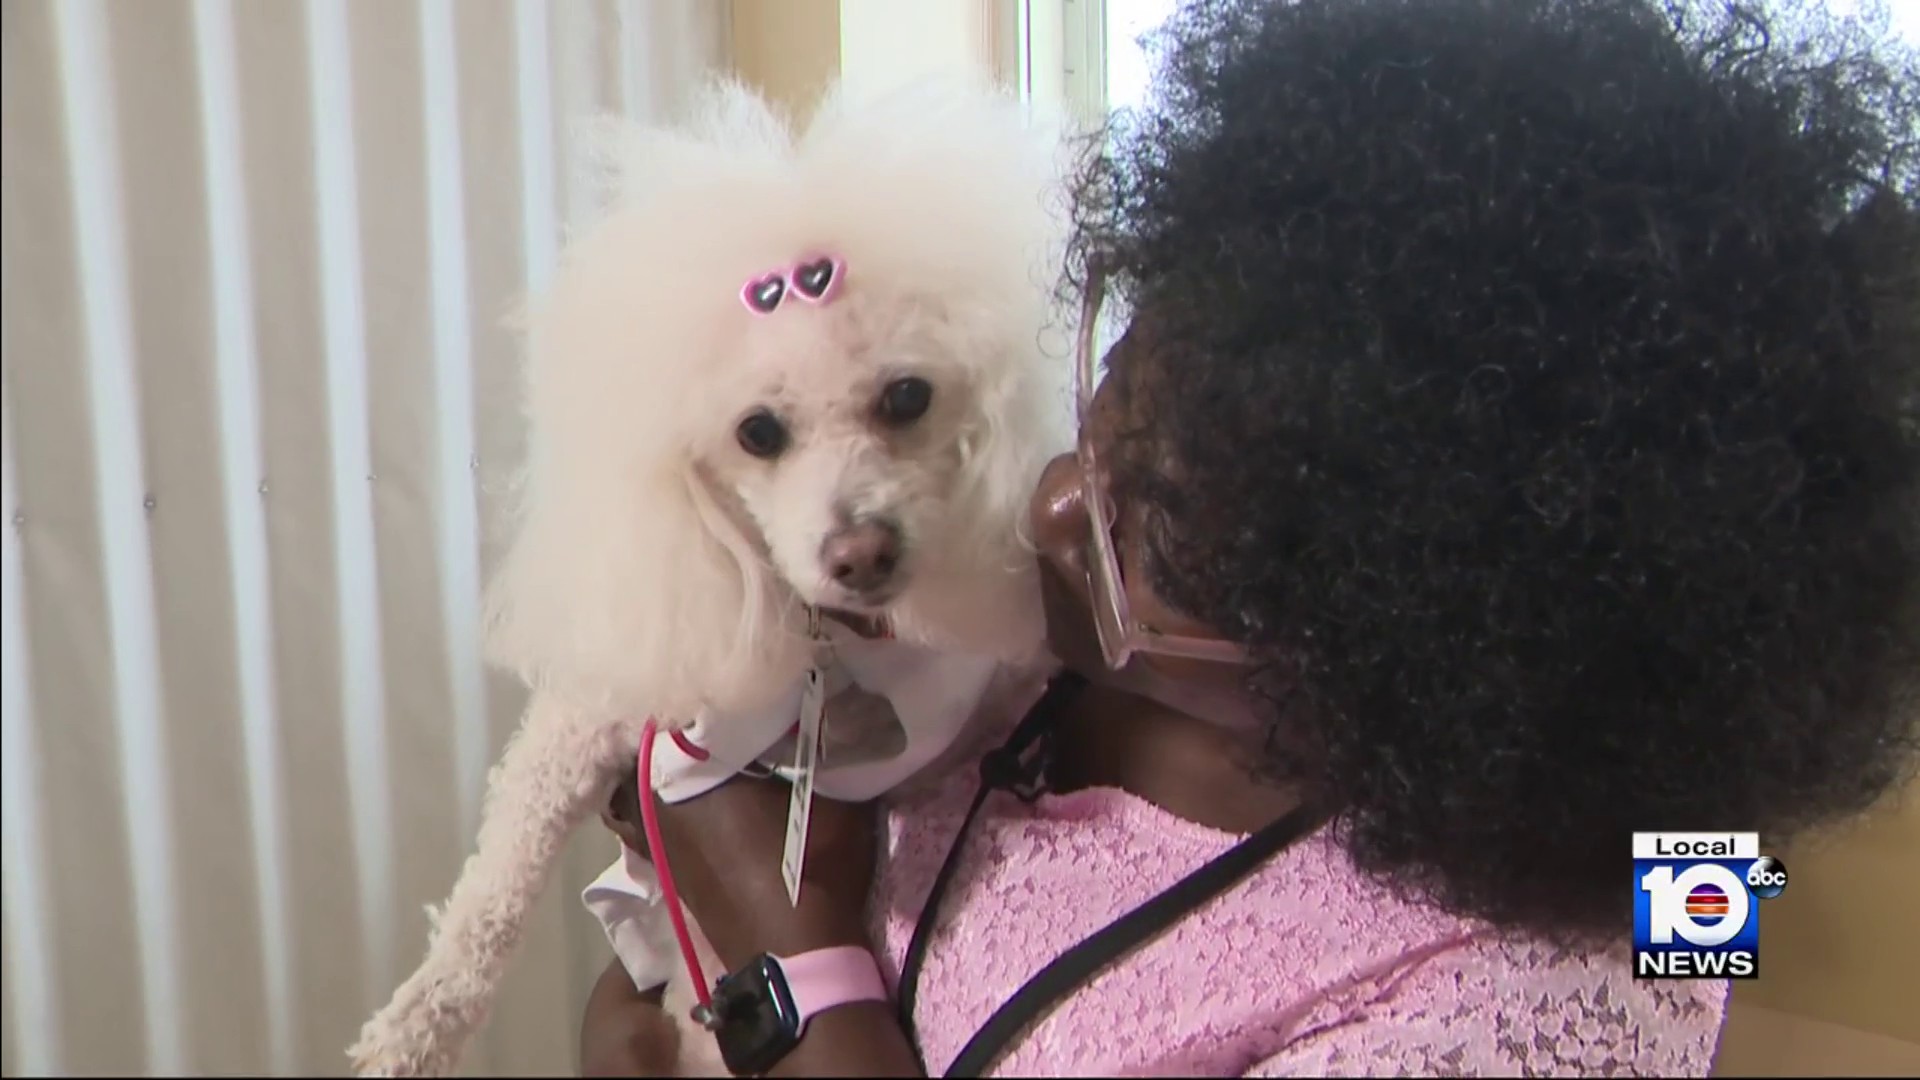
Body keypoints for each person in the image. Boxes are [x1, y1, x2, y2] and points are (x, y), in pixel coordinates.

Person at [579, 0, 1920, 1074]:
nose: (1057, 503)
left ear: (1402, 635)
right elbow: (626, 1013)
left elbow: (1713, 903)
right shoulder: (1030, 658)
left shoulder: (1548, 1001)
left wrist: (796, 971)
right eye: (1119, 386)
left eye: (1159, 525)